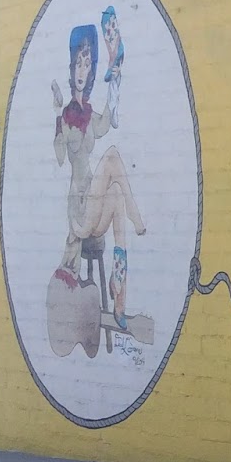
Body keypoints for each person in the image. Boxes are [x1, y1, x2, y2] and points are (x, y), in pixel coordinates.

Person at [51, 23, 145, 280]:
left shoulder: (89, 114)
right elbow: (60, 157)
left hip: (94, 209)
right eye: (78, 63)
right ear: (72, 68)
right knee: (112, 155)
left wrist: (114, 81)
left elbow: (107, 123)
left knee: (115, 192)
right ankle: (135, 214)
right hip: (80, 209)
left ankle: (118, 282)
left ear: (92, 70)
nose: (82, 70)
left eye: (87, 64)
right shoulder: (67, 115)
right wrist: (58, 114)